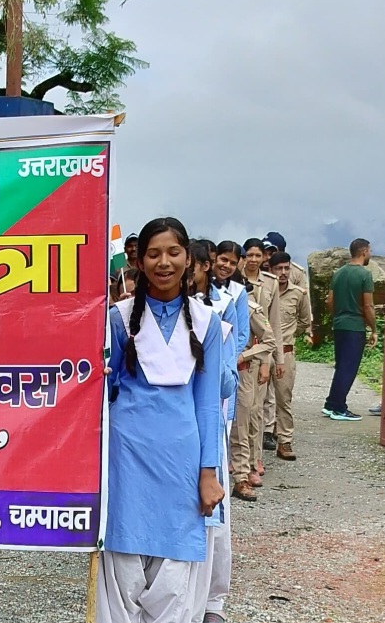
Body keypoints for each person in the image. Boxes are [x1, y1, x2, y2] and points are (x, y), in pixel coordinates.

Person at [99, 217, 223, 623]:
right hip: (126, 457)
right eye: (153, 254)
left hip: (181, 461)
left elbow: (207, 405)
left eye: (173, 253)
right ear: (139, 261)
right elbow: (102, 392)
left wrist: (208, 473)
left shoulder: (207, 322)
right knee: (122, 565)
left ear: (189, 259)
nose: (163, 262)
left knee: (175, 573)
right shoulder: (118, 319)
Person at [187, 242, 239, 623]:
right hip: (168, 429)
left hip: (207, 424)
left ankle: (210, 602)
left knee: (211, 517)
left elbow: (227, 383)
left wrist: (211, 345)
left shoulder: (220, 311)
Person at [229, 292, 277, 502]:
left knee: (243, 422)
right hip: (208, 369)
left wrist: (244, 356)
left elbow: (269, 340)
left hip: (242, 371)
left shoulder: (248, 308)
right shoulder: (203, 300)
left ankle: (243, 474)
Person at [266, 253, 313, 461]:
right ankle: (258, 441)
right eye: (278, 268)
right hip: (262, 352)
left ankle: (284, 440)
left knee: (284, 398)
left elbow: (304, 321)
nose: (283, 273)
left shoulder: (298, 294)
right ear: (270, 270)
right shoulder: (263, 291)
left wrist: (289, 335)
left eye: (286, 268)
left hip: (285, 351)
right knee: (257, 401)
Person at [324, 238, 376, 421]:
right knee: (349, 368)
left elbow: (330, 300)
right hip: (355, 326)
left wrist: (338, 315)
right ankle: (339, 408)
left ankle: (331, 403)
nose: (370, 254)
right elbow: (368, 305)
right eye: (369, 251)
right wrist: (373, 328)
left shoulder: (338, 273)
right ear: (364, 252)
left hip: (339, 324)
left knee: (341, 366)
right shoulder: (365, 275)